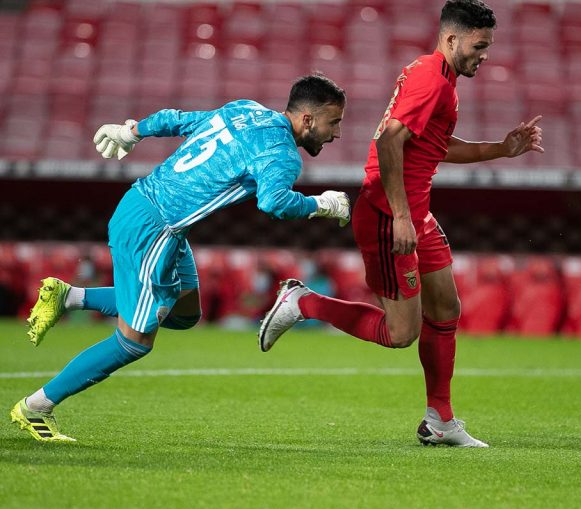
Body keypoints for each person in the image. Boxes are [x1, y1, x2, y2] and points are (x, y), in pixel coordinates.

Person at [259, 0, 543, 448]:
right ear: (452, 39)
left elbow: (434, 145)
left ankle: (439, 420)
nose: (485, 54)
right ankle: (302, 302)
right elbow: (390, 140)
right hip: (389, 215)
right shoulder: (432, 79)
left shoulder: (437, 77)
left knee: (446, 309)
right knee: (400, 334)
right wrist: (403, 217)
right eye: (479, 45)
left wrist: (500, 149)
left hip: (414, 213)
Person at [12, 74, 351, 442]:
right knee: (134, 342)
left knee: (186, 314)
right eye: (333, 123)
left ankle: (69, 297)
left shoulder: (244, 110)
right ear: (307, 119)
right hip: (154, 229)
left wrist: (133, 131)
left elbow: (176, 118)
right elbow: (274, 202)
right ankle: (36, 406)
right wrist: (322, 204)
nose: (336, 134)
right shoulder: (282, 154)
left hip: (154, 216)